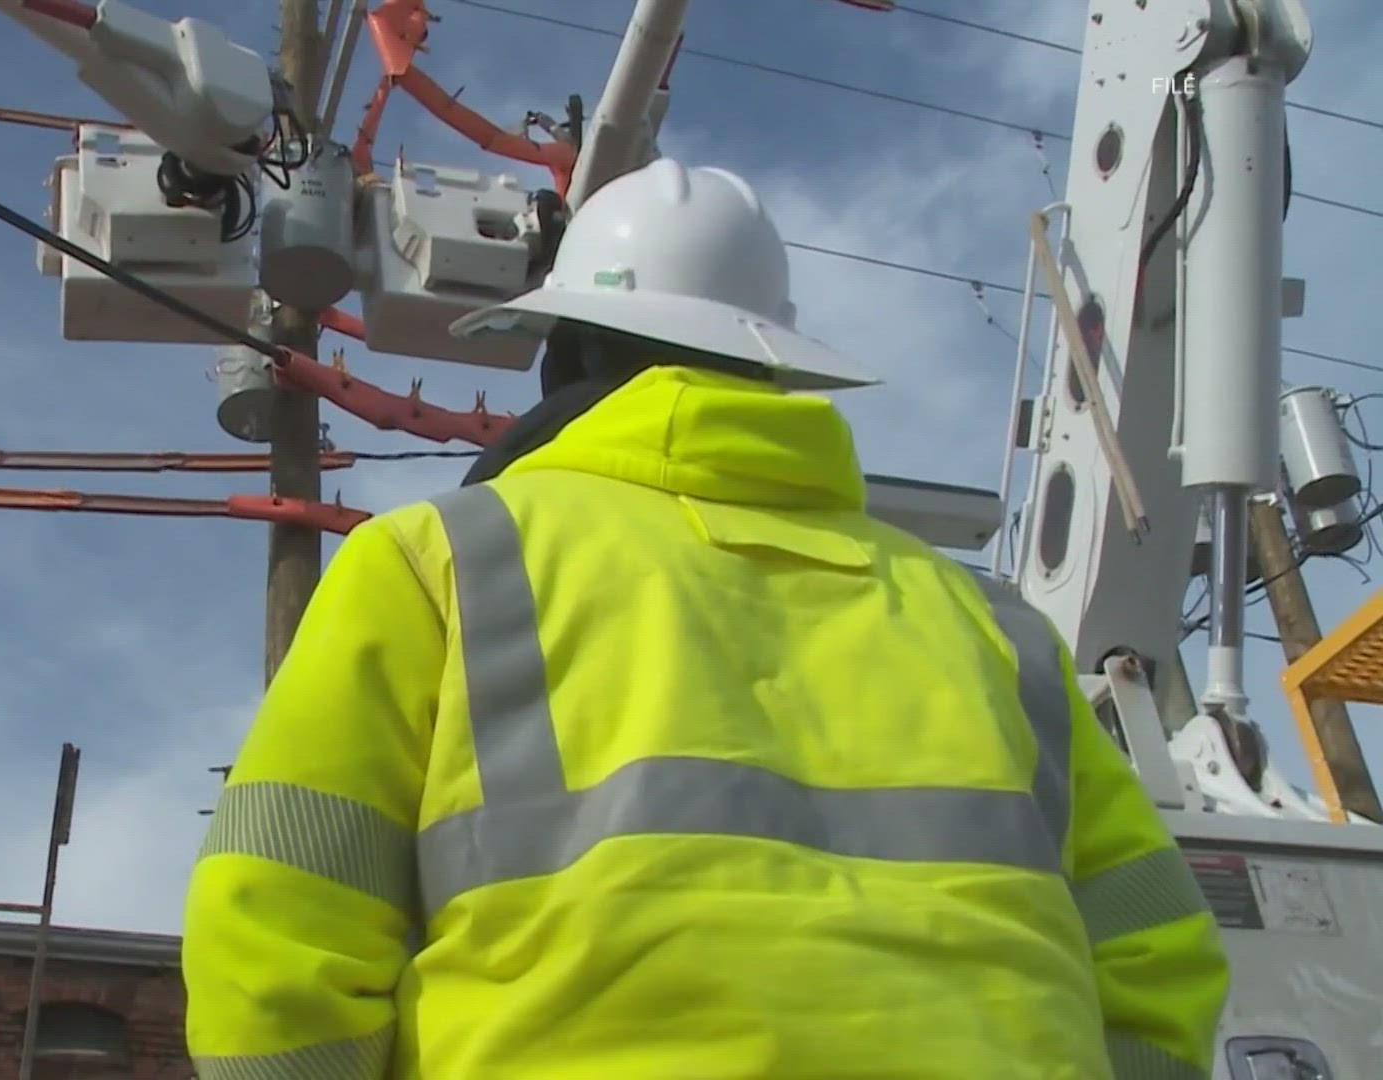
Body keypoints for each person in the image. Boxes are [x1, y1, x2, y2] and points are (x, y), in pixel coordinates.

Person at [182, 158, 1229, 1079]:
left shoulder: (437, 562)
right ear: (771, 368)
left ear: (573, 357)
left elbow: (276, 934)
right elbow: (1158, 959)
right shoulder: (996, 630)